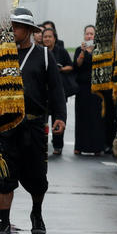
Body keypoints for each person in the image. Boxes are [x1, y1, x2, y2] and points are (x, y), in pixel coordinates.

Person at [0, 8, 66, 234]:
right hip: (5, 126)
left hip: (34, 125)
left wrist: (60, 117)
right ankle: (4, 223)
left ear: (29, 30)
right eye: (11, 26)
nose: (12, 30)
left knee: (37, 177)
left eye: (17, 27)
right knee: (3, 177)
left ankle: (37, 213)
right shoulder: (1, 54)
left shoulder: (44, 55)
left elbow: (56, 90)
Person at [73, 25, 107, 156]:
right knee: (81, 118)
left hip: (96, 89)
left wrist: (92, 52)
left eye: (91, 34)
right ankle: (79, 146)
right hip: (83, 89)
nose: (89, 36)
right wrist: (83, 51)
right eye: (87, 34)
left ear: (95, 36)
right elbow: (77, 65)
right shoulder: (78, 50)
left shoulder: (100, 50)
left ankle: (96, 147)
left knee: (96, 119)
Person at [41, 24, 73, 156]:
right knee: (42, 120)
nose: (47, 39)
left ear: (55, 38)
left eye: (50, 37)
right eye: (45, 37)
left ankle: (58, 145)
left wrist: (60, 69)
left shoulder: (61, 51)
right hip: (43, 93)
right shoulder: (39, 51)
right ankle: (41, 143)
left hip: (58, 90)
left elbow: (71, 66)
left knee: (58, 118)